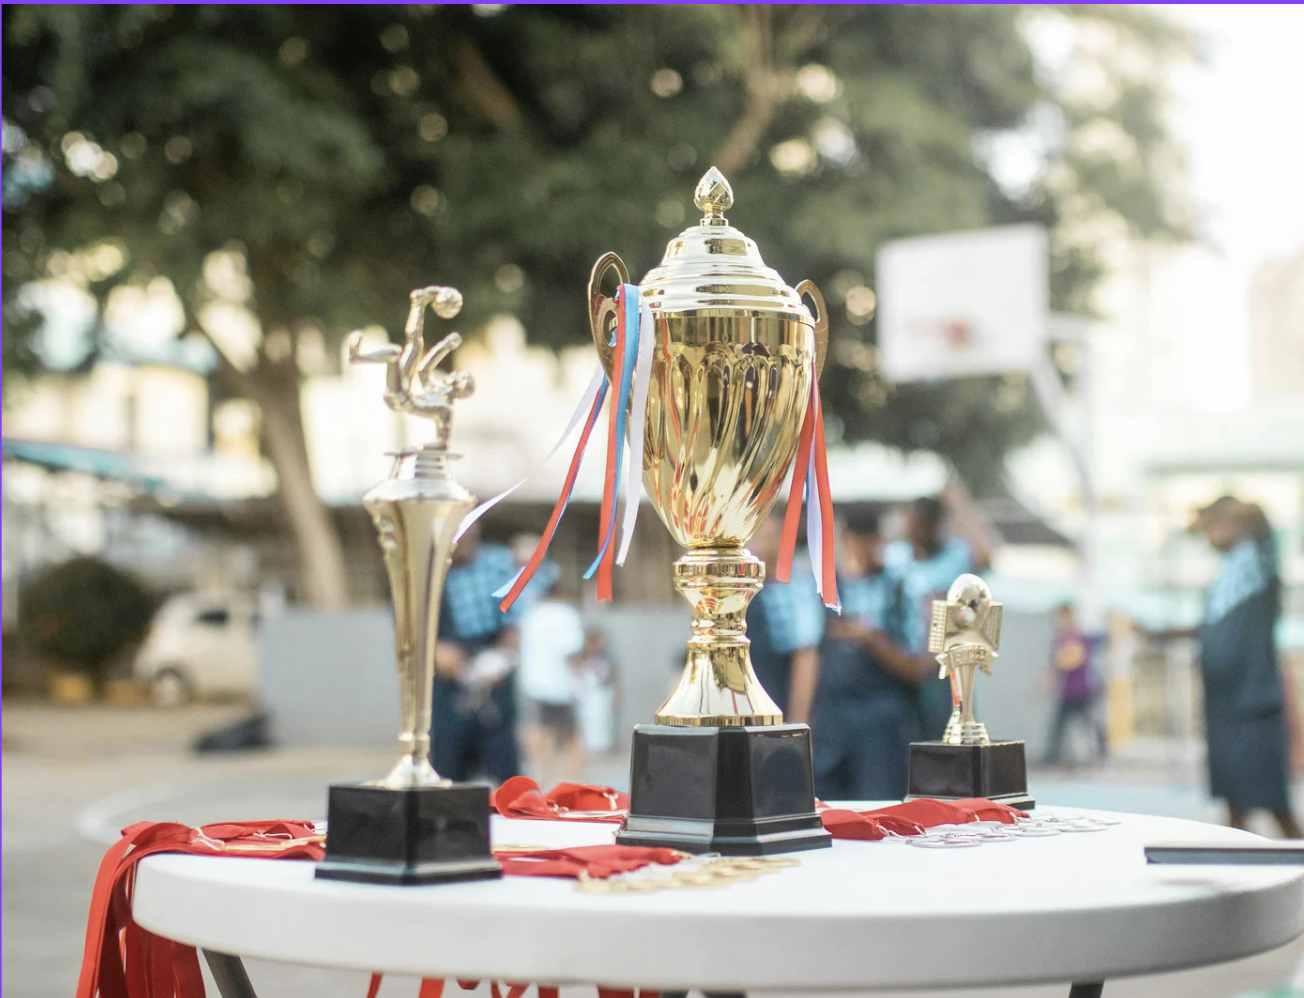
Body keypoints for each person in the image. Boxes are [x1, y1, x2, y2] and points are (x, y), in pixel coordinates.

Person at [1192, 496, 1300, 836]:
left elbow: (1254, 519)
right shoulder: (1227, 572)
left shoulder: (1258, 560)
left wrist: (1218, 514)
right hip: (1225, 702)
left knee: (1273, 801)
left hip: (1253, 698)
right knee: (1233, 801)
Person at [813, 508, 934, 801]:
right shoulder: (822, 590)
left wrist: (871, 639)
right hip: (831, 726)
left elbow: (918, 667)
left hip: (882, 727)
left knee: (879, 810)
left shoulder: (901, 588)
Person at [884, 481, 994, 739]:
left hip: (941, 668)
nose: (911, 529)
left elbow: (986, 556)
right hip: (899, 660)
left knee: (944, 737)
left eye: (918, 523)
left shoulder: (954, 556)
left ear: (934, 526)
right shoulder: (897, 556)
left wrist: (958, 503)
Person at [431, 523, 522, 784]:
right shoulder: (425, 571)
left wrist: (497, 661)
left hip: (493, 675)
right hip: (446, 684)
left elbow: (513, 623)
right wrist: (436, 653)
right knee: (447, 773)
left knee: (505, 772)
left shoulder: (496, 564)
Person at [745, 515, 823, 722]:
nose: (757, 545)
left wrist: (797, 721)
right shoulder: (744, 587)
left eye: (766, 537)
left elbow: (805, 656)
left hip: (779, 688)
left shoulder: (798, 589)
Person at [517, 579, 586, 787]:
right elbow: (572, 651)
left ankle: (541, 776)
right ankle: (571, 780)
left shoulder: (531, 614)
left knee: (539, 729)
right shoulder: (565, 614)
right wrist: (581, 678)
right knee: (572, 735)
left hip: (533, 682)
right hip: (560, 683)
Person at [1043, 603, 1106, 767]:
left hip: (1083, 690)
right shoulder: (1060, 640)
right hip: (1067, 692)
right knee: (1059, 727)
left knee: (1089, 725)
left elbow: (1070, 662)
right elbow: (1055, 667)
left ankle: (1096, 754)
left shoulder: (1082, 638)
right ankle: (1054, 756)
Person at [575, 628, 617, 755]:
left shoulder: (607, 658)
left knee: (602, 722)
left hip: (601, 693)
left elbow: (611, 677)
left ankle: (601, 748)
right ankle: (588, 747)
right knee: (587, 721)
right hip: (586, 695)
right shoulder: (581, 657)